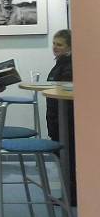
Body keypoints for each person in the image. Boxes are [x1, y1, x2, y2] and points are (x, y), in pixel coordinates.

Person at [46, 29, 75, 206]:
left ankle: (71, 196)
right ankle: (69, 194)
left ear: (70, 47)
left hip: (65, 121)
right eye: (54, 44)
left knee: (69, 158)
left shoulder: (70, 66)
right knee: (64, 156)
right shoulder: (61, 63)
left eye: (60, 44)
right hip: (56, 118)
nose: (55, 47)